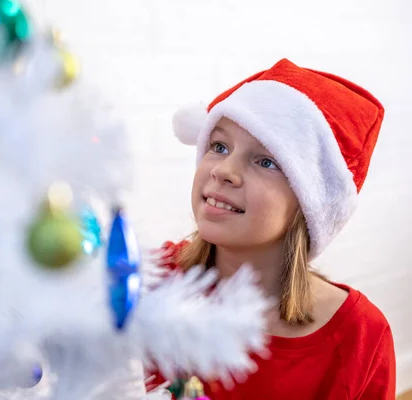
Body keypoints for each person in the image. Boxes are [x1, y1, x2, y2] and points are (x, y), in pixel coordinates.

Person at [145, 58, 396, 399]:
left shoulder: (361, 334)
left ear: (311, 202)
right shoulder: (147, 280)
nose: (223, 170)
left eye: (265, 161)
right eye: (219, 146)